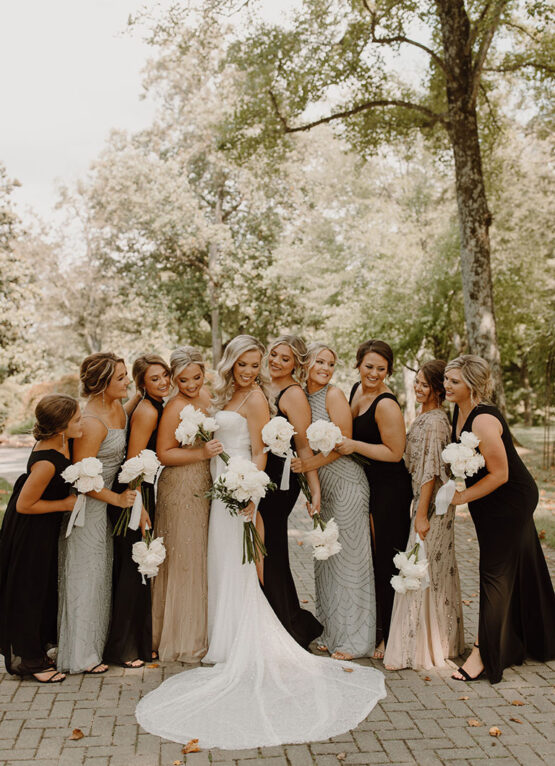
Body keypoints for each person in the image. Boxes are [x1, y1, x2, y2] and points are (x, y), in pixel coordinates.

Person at [136, 335, 386, 750]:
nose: (251, 371)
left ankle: (239, 638)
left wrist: (250, 491)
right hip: (216, 489)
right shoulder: (222, 394)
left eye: (256, 365)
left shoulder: (255, 399)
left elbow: (260, 452)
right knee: (217, 561)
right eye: (245, 364)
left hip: (238, 492)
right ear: (231, 363)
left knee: (239, 563)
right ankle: (217, 632)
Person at [445, 354, 555, 683]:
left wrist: (463, 497)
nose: (446, 385)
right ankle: (541, 638)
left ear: (473, 385)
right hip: (487, 500)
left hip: (509, 500)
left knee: (493, 574)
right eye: (446, 379)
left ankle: (485, 652)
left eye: (454, 381)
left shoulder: (483, 420)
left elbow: (502, 473)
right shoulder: (459, 409)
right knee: (524, 565)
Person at [292, 342, 376, 660]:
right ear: (306, 364)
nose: (326, 368)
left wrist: (307, 466)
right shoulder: (300, 396)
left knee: (350, 563)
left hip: (346, 484)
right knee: (325, 561)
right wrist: (310, 482)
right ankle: (331, 630)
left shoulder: (334, 395)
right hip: (322, 488)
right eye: (320, 362)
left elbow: (342, 444)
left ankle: (356, 640)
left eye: (330, 364)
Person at [57, 353, 139, 674]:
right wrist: (117, 501)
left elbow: (129, 412)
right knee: (86, 576)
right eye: (120, 378)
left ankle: (96, 646)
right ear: (103, 384)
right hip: (88, 508)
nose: (127, 382)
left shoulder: (117, 406)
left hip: (104, 506)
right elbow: (81, 478)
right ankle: (81, 656)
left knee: (101, 574)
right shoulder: (90, 422)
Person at [384, 360, 465, 670]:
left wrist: (420, 516)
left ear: (438, 390)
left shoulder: (434, 421)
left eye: (424, 384)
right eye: (416, 382)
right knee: (432, 569)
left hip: (429, 505)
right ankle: (442, 641)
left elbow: (430, 473)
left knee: (421, 569)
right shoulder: (426, 415)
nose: (418, 388)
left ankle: (415, 646)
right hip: (424, 501)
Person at [337, 339, 412, 659]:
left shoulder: (386, 404)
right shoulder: (356, 390)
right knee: (368, 558)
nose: (374, 373)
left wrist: (354, 445)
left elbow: (395, 453)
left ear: (389, 371)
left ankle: (390, 636)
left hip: (390, 489)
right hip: (365, 484)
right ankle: (373, 628)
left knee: (386, 560)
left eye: (381, 369)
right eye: (369, 366)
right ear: (358, 365)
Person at [0, 395, 80, 683]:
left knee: (43, 589)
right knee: (29, 592)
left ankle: (39, 650)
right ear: (60, 427)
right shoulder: (46, 462)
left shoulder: (60, 441)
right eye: (76, 420)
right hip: (31, 529)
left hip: (44, 527)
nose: (81, 423)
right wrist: (65, 504)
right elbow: (24, 504)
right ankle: (30, 662)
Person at [152, 347, 220, 663]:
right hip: (179, 486)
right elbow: (164, 453)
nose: (191, 384)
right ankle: (181, 636)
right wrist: (201, 454)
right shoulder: (174, 406)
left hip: (205, 485)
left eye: (196, 377)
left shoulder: (206, 395)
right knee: (183, 557)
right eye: (184, 379)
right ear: (174, 377)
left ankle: (203, 629)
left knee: (200, 555)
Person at [104, 354, 171, 668]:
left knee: (139, 568)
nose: (163, 382)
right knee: (135, 568)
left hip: (143, 490)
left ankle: (140, 643)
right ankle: (125, 649)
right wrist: (140, 507)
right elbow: (133, 463)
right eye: (154, 379)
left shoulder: (151, 405)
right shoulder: (147, 411)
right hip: (135, 492)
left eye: (164, 376)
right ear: (143, 383)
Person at [258, 334, 322, 648]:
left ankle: (290, 625)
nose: (277, 362)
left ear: (296, 364)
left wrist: (314, 490)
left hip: (278, 482)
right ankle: (280, 619)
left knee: (271, 551)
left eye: (285, 358)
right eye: (274, 355)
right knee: (261, 551)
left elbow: (305, 445)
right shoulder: (260, 384)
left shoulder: (293, 394)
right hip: (255, 475)